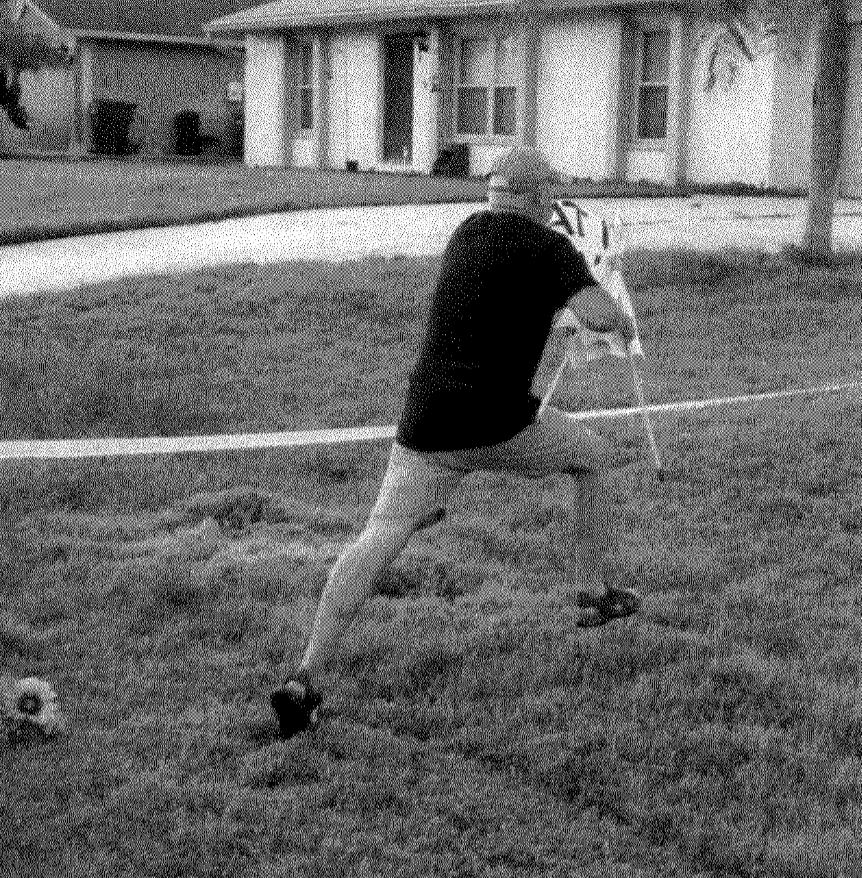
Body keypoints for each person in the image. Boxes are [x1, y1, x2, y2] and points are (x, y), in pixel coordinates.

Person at [270, 146, 642, 739]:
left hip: (429, 423)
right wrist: (611, 305)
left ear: (495, 195)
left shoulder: (467, 232)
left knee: (380, 536)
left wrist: (558, 314)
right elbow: (600, 316)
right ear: (541, 198)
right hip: (497, 427)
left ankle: (305, 676)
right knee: (593, 457)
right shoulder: (549, 248)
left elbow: (504, 305)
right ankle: (593, 590)